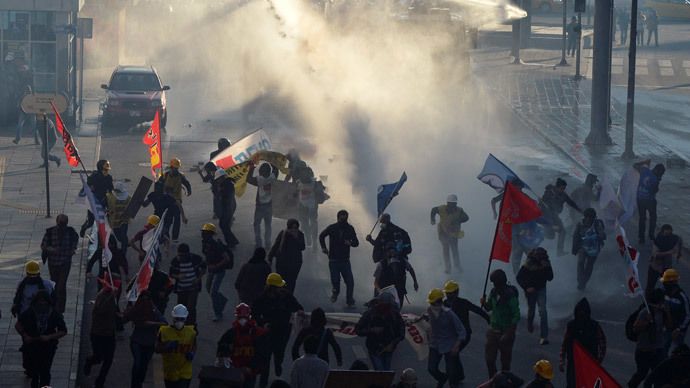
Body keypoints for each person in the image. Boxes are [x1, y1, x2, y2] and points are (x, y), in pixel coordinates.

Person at [252, 273, 305, 387]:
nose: (281, 289)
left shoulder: (286, 296)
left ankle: (278, 363)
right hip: (267, 332)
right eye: (279, 287)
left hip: (283, 330)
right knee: (265, 358)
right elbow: (254, 313)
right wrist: (262, 323)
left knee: (279, 352)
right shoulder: (261, 299)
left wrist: (300, 311)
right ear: (272, 288)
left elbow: (297, 306)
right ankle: (263, 383)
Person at [15, 290, 67, 388]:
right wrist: (25, 336)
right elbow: (18, 325)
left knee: (45, 372)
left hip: (48, 347)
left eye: (44, 302)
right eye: (40, 302)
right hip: (32, 346)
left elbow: (63, 330)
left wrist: (49, 337)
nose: (42, 304)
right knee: (34, 373)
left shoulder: (53, 314)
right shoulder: (30, 312)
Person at [12, 260, 55, 375]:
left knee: (30, 343)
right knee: (29, 343)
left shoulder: (23, 284)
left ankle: (31, 365)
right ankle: (30, 366)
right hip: (28, 319)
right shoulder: (46, 285)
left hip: (36, 318)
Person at [216, 303, 270, 388]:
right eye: (240, 317)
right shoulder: (231, 333)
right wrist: (226, 362)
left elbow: (261, 354)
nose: (242, 320)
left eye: (244, 317)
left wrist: (252, 369)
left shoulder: (257, 333)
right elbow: (221, 348)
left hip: (250, 371)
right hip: (234, 371)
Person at [480, 269, 520, 378]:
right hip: (493, 329)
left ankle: (504, 382)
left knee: (505, 363)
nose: (494, 284)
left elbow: (516, 315)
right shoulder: (493, 292)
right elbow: (489, 308)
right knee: (489, 359)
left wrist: (509, 333)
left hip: (506, 331)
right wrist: (484, 303)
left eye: (495, 282)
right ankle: (493, 380)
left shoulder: (510, 296)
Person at [559, 298, 607, 388]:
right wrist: (562, 361)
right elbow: (565, 343)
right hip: (574, 363)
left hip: (589, 361)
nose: (581, 314)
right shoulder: (571, 325)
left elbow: (602, 343)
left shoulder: (594, 326)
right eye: (579, 312)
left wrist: (598, 360)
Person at [628, 289, 671, 388]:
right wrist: (647, 323)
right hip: (644, 350)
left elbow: (669, 326)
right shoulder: (645, 312)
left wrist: (667, 313)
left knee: (659, 375)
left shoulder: (662, 312)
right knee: (642, 373)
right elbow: (635, 329)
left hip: (658, 350)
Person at [123, 291, 167, 388]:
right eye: (143, 299)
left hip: (149, 342)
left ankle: (139, 382)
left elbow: (164, 322)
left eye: (147, 299)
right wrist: (127, 312)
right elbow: (124, 320)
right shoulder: (136, 309)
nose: (144, 301)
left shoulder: (153, 310)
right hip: (137, 341)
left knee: (143, 366)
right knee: (137, 363)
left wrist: (150, 323)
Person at [426, 288, 467, 388]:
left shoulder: (449, 314)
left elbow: (462, 331)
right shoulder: (430, 311)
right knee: (431, 368)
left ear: (440, 302)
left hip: (449, 345)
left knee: (451, 371)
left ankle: (453, 383)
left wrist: (457, 346)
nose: (432, 306)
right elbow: (427, 320)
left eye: (434, 303)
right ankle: (442, 378)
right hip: (435, 344)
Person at [355, 292, 406, 371]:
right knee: (380, 371)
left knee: (386, 371)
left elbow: (401, 333)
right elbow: (358, 330)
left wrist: (393, 343)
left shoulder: (395, 315)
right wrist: (371, 330)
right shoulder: (369, 314)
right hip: (374, 348)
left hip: (388, 348)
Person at [319, 210, 360, 306]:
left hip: (345, 260)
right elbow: (321, 236)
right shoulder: (332, 227)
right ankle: (335, 293)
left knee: (350, 281)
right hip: (333, 259)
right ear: (338, 217)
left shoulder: (350, 229)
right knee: (335, 280)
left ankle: (349, 299)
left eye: (345, 218)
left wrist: (350, 243)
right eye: (342, 217)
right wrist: (324, 248)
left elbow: (356, 243)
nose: (343, 220)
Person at [83, 281, 119, 388]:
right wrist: (112, 296)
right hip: (98, 334)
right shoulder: (101, 296)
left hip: (110, 334)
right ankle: (90, 361)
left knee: (108, 360)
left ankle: (100, 382)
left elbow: (115, 314)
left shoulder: (113, 299)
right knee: (98, 357)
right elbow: (101, 310)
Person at [40, 213, 79, 313]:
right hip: (53, 263)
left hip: (65, 263)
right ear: (57, 222)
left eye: (64, 224)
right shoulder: (50, 232)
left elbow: (75, 241)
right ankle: (54, 304)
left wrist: (73, 249)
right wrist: (51, 249)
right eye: (60, 223)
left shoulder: (70, 232)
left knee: (61, 285)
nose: (62, 226)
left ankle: (60, 308)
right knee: (54, 284)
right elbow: (43, 245)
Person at [516, 247, 554, 345]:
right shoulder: (528, 263)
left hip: (541, 289)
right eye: (538, 256)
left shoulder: (546, 263)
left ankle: (544, 336)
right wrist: (527, 287)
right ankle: (530, 323)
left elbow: (550, 278)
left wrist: (546, 267)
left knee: (543, 311)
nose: (540, 258)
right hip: (531, 290)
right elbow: (519, 277)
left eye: (541, 256)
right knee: (531, 309)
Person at [156, 304, 197, 388]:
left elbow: (194, 345)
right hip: (170, 371)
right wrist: (167, 347)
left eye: (181, 319)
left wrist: (192, 353)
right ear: (173, 318)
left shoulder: (191, 332)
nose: (179, 321)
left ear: (185, 319)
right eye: (177, 319)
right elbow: (157, 348)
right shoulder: (164, 331)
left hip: (185, 370)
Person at [443, 280, 490, 350]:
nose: (449, 295)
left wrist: (488, 319)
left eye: (450, 293)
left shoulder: (463, 303)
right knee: (452, 356)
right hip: (452, 334)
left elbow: (477, 310)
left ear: (456, 292)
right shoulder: (444, 304)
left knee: (452, 354)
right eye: (447, 293)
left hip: (464, 333)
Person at [540, 178, 581, 256]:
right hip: (547, 216)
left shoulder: (563, 195)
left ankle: (559, 251)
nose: (563, 190)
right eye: (561, 188)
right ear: (557, 187)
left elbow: (571, 203)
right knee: (550, 235)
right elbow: (542, 205)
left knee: (562, 232)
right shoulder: (549, 193)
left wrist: (579, 210)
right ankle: (542, 233)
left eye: (564, 188)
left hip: (555, 216)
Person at [201, 223, 233, 321]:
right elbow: (207, 256)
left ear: (210, 234)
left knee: (213, 292)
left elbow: (226, 258)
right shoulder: (205, 243)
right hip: (211, 270)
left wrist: (216, 266)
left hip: (219, 271)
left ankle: (218, 313)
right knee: (209, 289)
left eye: (205, 232)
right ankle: (222, 300)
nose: (203, 234)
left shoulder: (216, 245)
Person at [430, 194, 469, 273]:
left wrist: (458, 220)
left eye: (453, 204)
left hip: (454, 233)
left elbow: (466, 218)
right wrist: (432, 219)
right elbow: (433, 210)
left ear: (456, 204)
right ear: (447, 203)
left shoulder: (459, 210)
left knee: (454, 249)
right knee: (446, 248)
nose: (451, 206)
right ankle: (448, 268)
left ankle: (457, 266)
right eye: (450, 203)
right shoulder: (441, 208)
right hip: (443, 232)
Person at [169, 243, 207, 325]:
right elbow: (171, 273)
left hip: (193, 288)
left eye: (183, 256)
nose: (181, 258)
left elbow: (204, 268)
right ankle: (180, 324)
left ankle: (191, 325)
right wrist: (178, 276)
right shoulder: (175, 261)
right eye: (179, 255)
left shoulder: (196, 259)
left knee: (191, 307)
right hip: (181, 288)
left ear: (188, 254)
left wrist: (198, 279)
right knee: (181, 308)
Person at [374, 242, 419, 307]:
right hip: (384, 289)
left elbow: (411, 270)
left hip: (399, 288)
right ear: (386, 252)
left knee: (397, 307)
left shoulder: (403, 261)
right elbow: (376, 282)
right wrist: (380, 291)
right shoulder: (381, 264)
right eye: (389, 250)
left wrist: (415, 282)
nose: (391, 253)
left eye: (393, 250)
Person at [571, 208, 606, 291]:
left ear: (594, 218)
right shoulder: (580, 224)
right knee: (580, 263)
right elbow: (575, 236)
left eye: (591, 218)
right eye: (587, 217)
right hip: (583, 247)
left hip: (594, 248)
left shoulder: (598, 224)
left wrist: (600, 235)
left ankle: (583, 283)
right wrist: (574, 249)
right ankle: (580, 281)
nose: (589, 220)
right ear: (585, 217)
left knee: (589, 265)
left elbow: (603, 235)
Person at [269, 218, 306, 294]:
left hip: (295, 263)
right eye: (292, 228)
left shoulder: (300, 235)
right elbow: (276, 245)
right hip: (282, 262)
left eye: (295, 228)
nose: (293, 230)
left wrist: (296, 238)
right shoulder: (283, 233)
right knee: (280, 280)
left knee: (291, 281)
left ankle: (289, 296)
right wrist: (270, 256)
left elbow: (302, 247)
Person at [247, 161, 279, 248]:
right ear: (269, 171)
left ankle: (258, 243)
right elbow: (276, 169)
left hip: (260, 206)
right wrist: (270, 161)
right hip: (269, 205)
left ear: (260, 172)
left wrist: (251, 168)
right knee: (268, 225)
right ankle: (268, 243)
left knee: (257, 224)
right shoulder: (273, 177)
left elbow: (248, 179)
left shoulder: (259, 179)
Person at [160, 158, 192, 241]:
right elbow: (159, 186)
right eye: (175, 168)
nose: (176, 170)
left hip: (177, 199)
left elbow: (187, 183)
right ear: (171, 167)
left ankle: (175, 237)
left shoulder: (181, 176)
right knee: (168, 219)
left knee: (177, 219)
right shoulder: (165, 175)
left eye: (177, 168)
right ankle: (165, 235)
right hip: (167, 200)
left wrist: (189, 191)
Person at [80, 160, 114, 237]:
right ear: (100, 169)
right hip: (94, 202)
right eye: (105, 170)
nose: (107, 171)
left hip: (104, 201)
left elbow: (111, 189)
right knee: (91, 222)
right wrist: (90, 186)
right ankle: (84, 227)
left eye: (107, 170)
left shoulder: (109, 178)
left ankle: (101, 237)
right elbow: (87, 188)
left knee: (105, 221)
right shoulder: (93, 177)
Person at [660, 268, 690, 355]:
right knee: (663, 350)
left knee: (676, 352)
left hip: (677, 331)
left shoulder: (682, 297)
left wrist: (679, 329)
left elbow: (688, 315)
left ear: (672, 283)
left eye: (666, 282)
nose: (664, 284)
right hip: (667, 327)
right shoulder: (663, 292)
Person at [634, 160, 665, 244]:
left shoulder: (645, 170)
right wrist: (657, 181)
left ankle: (641, 237)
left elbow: (635, 165)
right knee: (653, 217)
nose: (661, 175)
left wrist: (644, 162)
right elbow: (654, 191)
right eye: (661, 173)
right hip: (649, 200)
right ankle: (651, 234)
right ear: (657, 171)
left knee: (642, 218)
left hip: (640, 198)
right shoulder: (655, 179)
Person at [647, 224, 683, 294]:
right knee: (650, 287)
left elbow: (679, 240)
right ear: (662, 232)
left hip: (667, 266)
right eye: (666, 233)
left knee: (670, 287)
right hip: (656, 267)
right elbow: (655, 254)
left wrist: (679, 252)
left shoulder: (673, 238)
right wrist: (669, 252)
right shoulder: (658, 240)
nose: (668, 235)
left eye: (670, 233)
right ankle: (648, 302)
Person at [213, 168, 239, 247]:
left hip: (228, 208)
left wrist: (220, 192)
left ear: (222, 177)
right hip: (227, 207)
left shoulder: (227, 185)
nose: (217, 181)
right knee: (224, 225)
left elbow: (226, 196)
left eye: (218, 179)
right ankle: (231, 241)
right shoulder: (226, 183)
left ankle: (232, 241)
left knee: (224, 225)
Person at [106, 181, 132, 251]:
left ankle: (123, 252)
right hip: (114, 222)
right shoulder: (109, 196)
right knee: (119, 238)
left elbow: (132, 207)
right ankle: (126, 243)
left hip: (124, 221)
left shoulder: (128, 198)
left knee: (123, 237)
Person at [297, 171, 319, 250]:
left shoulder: (299, 182)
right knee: (311, 223)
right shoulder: (314, 183)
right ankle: (313, 241)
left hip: (305, 206)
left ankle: (310, 239)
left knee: (306, 223)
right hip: (312, 206)